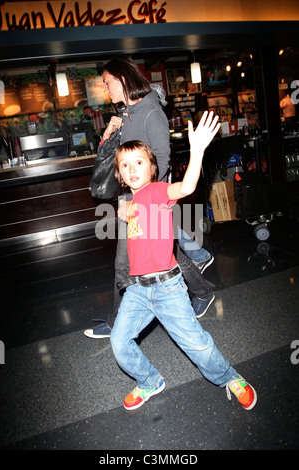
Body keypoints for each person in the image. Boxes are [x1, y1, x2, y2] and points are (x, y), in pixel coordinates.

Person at [109, 112, 257, 411]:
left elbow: (186, 188)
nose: (132, 169)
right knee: (118, 343)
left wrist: (198, 150)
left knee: (197, 344)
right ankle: (149, 381)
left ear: (153, 169)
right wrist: (123, 212)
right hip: (137, 290)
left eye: (139, 162)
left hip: (167, 288)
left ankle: (230, 377)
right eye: (125, 165)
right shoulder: (132, 202)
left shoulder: (156, 191)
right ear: (120, 175)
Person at [84, 56, 214, 339]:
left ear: (121, 79)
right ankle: (203, 289)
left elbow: (163, 161)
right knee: (167, 253)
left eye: (107, 83)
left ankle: (119, 322)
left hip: (145, 200)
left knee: (124, 262)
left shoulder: (150, 112)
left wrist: (139, 200)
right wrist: (108, 135)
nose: (105, 89)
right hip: (131, 197)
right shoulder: (127, 113)